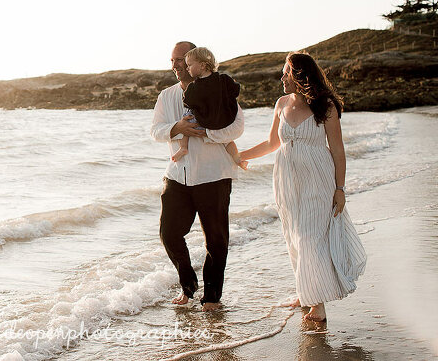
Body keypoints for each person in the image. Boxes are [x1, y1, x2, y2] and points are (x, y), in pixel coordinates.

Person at [239, 51, 366, 322]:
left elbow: (338, 150)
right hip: (286, 180)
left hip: (318, 179)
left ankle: (317, 305)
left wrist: (340, 188)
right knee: (293, 237)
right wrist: (241, 156)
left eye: (286, 72)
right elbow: (273, 144)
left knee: (310, 238)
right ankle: (306, 289)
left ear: (300, 76)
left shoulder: (326, 106)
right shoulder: (281, 103)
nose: (282, 77)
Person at [151, 41, 245, 310]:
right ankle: (188, 285)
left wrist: (207, 133)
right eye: (172, 60)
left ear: (195, 61)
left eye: (181, 59)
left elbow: (237, 127)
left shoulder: (220, 88)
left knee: (216, 240)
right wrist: (176, 128)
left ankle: (212, 298)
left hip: (214, 175)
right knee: (169, 233)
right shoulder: (166, 96)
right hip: (177, 176)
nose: (176, 65)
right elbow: (155, 131)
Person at [170, 47, 247, 170]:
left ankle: (183, 147)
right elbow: (235, 90)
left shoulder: (194, 87)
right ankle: (237, 158)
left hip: (204, 123)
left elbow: (188, 102)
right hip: (224, 118)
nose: (187, 68)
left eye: (189, 65)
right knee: (228, 141)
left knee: (186, 120)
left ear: (202, 65)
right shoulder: (224, 79)